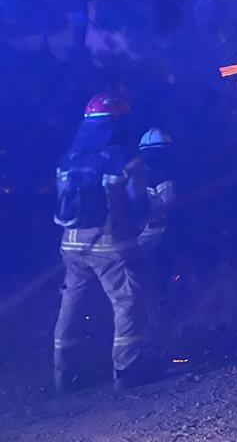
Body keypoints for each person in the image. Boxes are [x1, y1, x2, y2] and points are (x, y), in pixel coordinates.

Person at [53, 92, 151, 393]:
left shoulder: (67, 160)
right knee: (126, 302)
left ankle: (64, 376)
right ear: (118, 123)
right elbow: (138, 201)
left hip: (71, 246)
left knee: (71, 303)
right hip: (111, 246)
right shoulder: (126, 159)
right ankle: (127, 371)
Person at [136, 128, 177, 300]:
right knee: (157, 274)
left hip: (132, 234)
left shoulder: (133, 173)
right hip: (155, 232)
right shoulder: (162, 177)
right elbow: (169, 204)